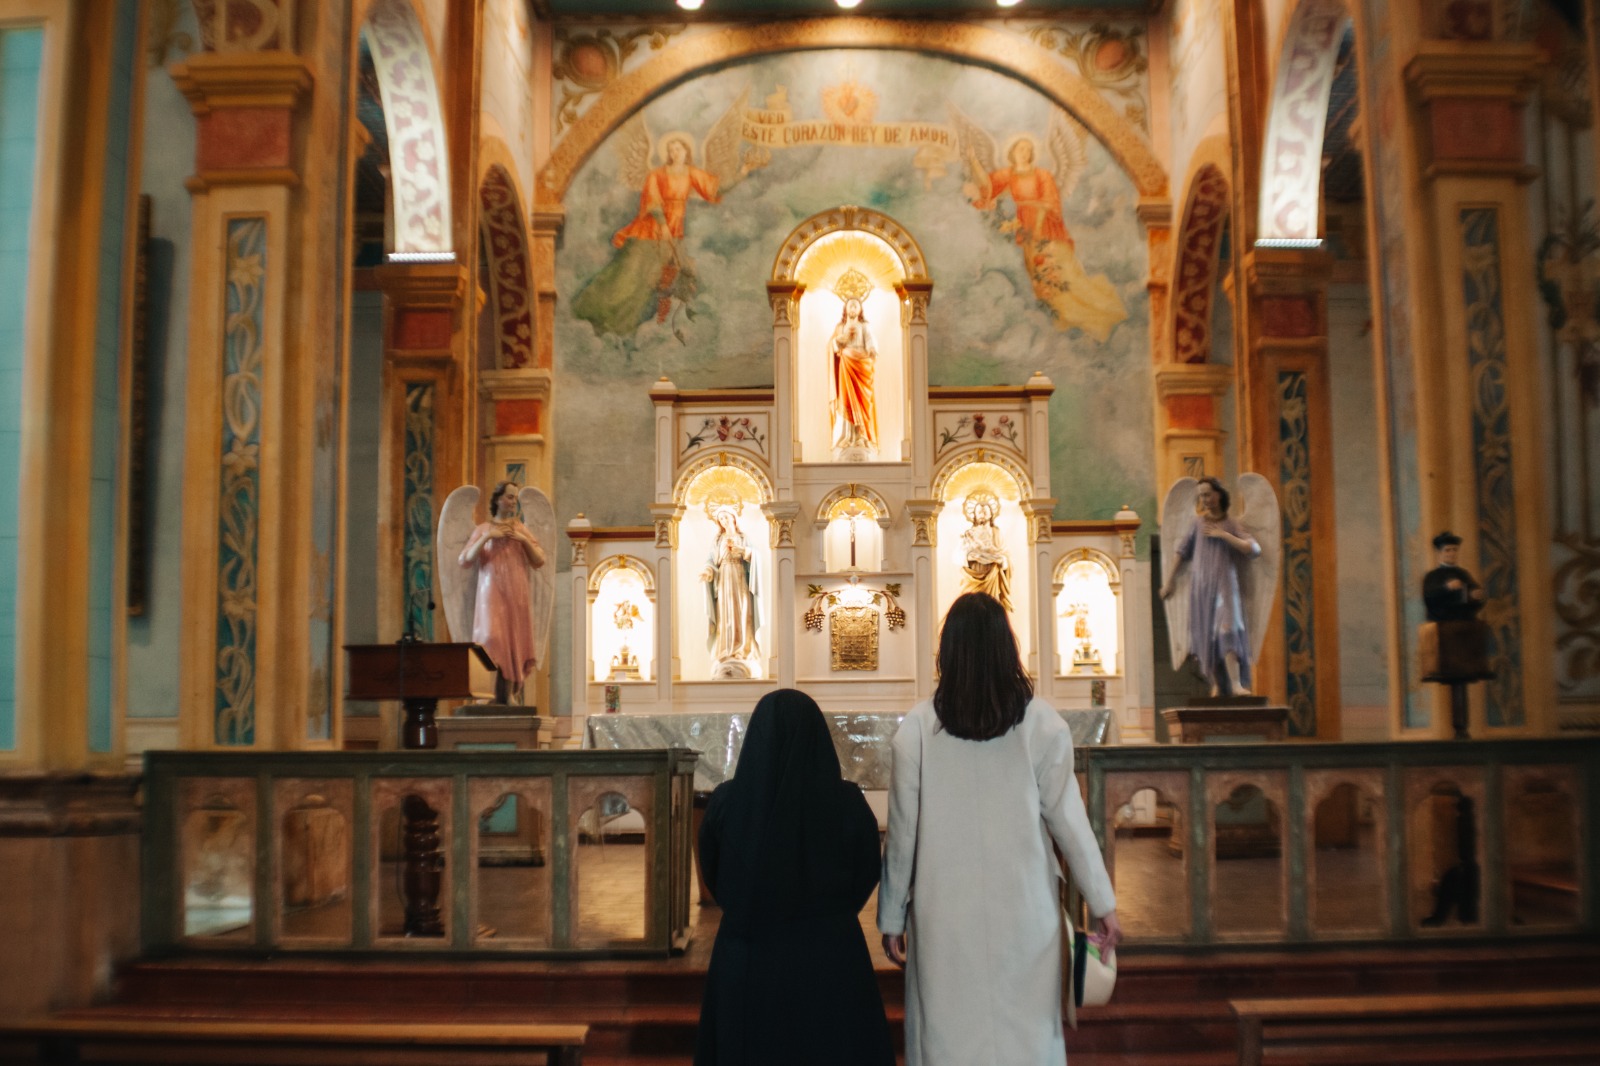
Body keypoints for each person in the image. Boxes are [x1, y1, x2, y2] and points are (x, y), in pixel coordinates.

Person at [880, 592, 1121, 1066]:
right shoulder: (1041, 724)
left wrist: (891, 917)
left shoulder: (917, 732)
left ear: (947, 653)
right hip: (1026, 913)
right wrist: (1104, 903)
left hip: (945, 916)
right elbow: (1071, 823)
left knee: (950, 1038)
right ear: (1007, 649)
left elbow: (902, 838)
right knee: (1027, 1041)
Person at [694, 689, 894, 1066]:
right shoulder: (849, 805)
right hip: (832, 960)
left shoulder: (725, 804)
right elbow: (866, 870)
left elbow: (715, 875)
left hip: (748, 957)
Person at [1160, 476, 1262, 697]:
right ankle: (1217, 685)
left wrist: (1224, 535)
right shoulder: (1198, 524)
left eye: (1207, 494)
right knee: (1207, 635)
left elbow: (1254, 549)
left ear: (1219, 494)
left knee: (1228, 629)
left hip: (1225, 585)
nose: (1204, 500)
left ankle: (1235, 684)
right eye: (1201, 496)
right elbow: (1181, 552)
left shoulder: (1231, 523)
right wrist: (1169, 581)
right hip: (1202, 588)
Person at [458, 481, 546, 701]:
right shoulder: (483, 529)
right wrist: (488, 537)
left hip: (516, 592)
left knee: (513, 640)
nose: (513, 502)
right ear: (497, 499)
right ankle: (486, 694)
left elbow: (539, 560)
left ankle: (509, 695)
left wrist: (524, 540)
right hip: (491, 592)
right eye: (509, 497)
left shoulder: (520, 529)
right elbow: (465, 560)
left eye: (515, 498)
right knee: (490, 637)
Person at [701, 504, 759, 677]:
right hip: (724, 579)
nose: (724, 521)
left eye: (726, 517)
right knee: (725, 615)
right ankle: (726, 650)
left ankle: (742, 649)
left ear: (733, 517)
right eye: (721, 519)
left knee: (741, 612)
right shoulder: (718, 540)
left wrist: (744, 551)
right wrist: (707, 571)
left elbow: (755, 557)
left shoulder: (743, 537)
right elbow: (711, 560)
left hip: (739, 577)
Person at [830, 297, 879, 450]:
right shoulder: (841, 327)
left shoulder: (864, 326)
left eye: (855, 306)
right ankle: (848, 436)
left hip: (861, 365)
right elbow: (833, 345)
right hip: (846, 364)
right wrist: (841, 340)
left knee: (862, 401)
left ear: (860, 310)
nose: (852, 309)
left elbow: (870, 341)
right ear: (845, 310)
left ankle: (862, 436)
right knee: (847, 400)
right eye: (850, 306)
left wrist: (871, 350)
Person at [959, 490, 1012, 611]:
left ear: (991, 514)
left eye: (985, 511)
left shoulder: (997, 533)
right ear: (974, 515)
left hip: (992, 573)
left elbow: (1005, 555)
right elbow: (958, 555)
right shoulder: (968, 534)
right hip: (973, 574)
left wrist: (1001, 560)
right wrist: (972, 557)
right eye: (979, 511)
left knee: (990, 606)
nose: (982, 513)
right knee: (971, 607)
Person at [1423, 531, 1486, 622]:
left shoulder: (1463, 574)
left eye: (1454, 550)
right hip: (1442, 624)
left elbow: (1474, 594)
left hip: (1464, 623)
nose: (1452, 553)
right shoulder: (1432, 576)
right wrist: (1446, 588)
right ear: (1440, 553)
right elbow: (1429, 597)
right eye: (1448, 550)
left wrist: (1474, 595)